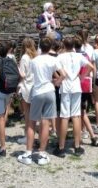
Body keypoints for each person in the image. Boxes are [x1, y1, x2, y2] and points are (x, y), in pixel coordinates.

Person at [18, 37, 66, 166]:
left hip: (37, 91)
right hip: (49, 91)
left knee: (32, 123)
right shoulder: (53, 59)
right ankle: (42, 153)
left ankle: (28, 152)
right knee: (46, 123)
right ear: (50, 47)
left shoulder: (34, 61)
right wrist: (57, 82)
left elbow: (29, 75)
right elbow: (63, 74)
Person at [54, 35, 94, 157]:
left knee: (65, 116)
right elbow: (91, 66)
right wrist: (82, 77)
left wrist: (61, 79)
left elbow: (61, 72)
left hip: (66, 86)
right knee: (76, 115)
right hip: (76, 85)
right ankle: (77, 146)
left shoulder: (60, 57)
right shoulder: (79, 56)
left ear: (64, 45)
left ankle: (61, 147)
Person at [74, 35, 98, 147]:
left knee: (78, 112)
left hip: (78, 84)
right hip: (86, 84)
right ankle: (90, 135)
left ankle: (83, 137)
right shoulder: (86, 55)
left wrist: (80, 76)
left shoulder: (75, 57)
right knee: (82, 111)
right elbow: (91, 67)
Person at [18, 37, 37, 145]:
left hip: (26, 86)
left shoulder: (25, 57)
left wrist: (17, 69)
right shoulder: (36, 56)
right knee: (32, 114)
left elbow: (23, 74)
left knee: (27, 114)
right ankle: (32, 134)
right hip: (34, 86)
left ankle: (27, 136)